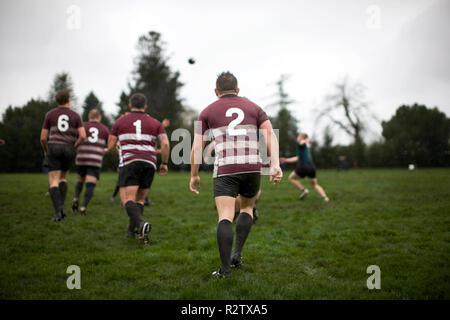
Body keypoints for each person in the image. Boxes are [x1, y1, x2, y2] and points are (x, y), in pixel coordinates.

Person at [189, 71, 282, 278]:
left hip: (226, 169)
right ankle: (237, 253)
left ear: (216, 91)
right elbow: (270, 134)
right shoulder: (254, 107)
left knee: (225, 216)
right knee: (248, 208)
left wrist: (194, 174)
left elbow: (197, 146)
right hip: (252, 167)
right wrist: (274, 163)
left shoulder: (206, 112)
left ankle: (225, 270)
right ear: (238, 90)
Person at [108, 93, 169, 244]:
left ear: (130, 105)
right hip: (149, 163)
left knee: (127, 200)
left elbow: (110, 146)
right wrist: (164, 163)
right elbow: (166, 144)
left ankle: (141, 224)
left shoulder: (120, 121)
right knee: (140, 199)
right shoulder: (155, 123)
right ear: (145, 106)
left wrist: (119, 155)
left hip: (130, 162)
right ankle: (131, 231)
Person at [40, 90, 86, 221]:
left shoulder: (50, 114)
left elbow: (43, 138)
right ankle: (62, 209)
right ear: (69, 100)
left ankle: (58, 212)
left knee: (53, 180)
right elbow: (83, 136)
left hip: (54, 147)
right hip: (68, 148)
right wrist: (74, 146)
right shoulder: (76, 115)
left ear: (57, 100)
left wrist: (46, 150)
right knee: (63, 178)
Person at [71, 109, 110, 215]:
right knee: (90, 183)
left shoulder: (82, 126)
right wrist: (104, 151)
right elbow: (110, 145)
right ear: (99, 117)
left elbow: (75, 140)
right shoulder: (104, 129)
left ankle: (75, 199)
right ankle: (83, 207)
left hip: (82, 158)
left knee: (80, 180)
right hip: (95, 159)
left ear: (89, 116)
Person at [280, 133, 329, 202]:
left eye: (298, 136)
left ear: (301, 138)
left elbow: (302, 143)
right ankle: (325, 198)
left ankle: (304, 190)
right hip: (311, 167)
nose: (297, 138)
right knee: (315, 184)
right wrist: (286, 160)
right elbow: (297, 158)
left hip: (303, 167)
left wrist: (304, 141)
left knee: (291, 178)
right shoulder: (306, 147)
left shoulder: (301, 145)